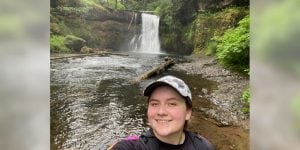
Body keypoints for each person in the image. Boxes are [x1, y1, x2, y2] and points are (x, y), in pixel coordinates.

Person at [109, 75, 214, 150]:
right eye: (154, 104)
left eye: (172, 104)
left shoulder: (203, 146)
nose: (161, 112)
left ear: (188, 112)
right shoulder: (134, 146)